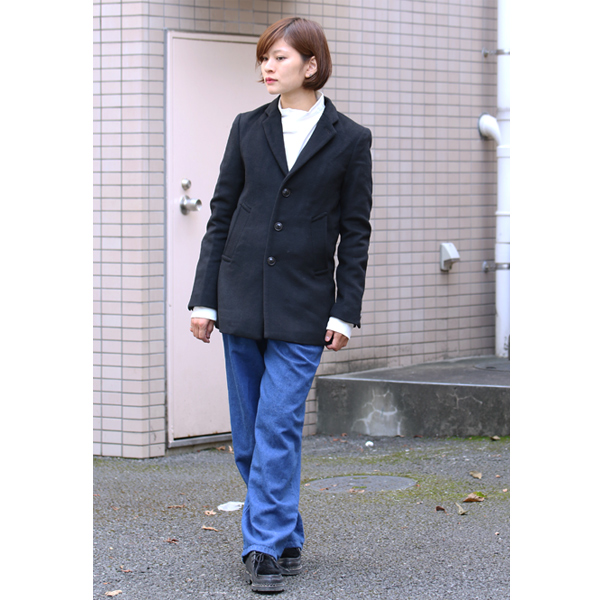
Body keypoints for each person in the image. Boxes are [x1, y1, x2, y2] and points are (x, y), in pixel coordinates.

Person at [189, 17, 373, 594]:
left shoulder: (351, 139)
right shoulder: (247, 127)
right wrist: (204, 300)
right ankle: (287, 529)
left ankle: (262, 546)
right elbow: (221, 215)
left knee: (277, 425)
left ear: (311, 65)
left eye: (280, 58)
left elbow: (356, 233)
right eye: (264, 58)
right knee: (249, 438)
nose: (268, 68)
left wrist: (345, 310)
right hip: (240, 297)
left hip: (305, 306)